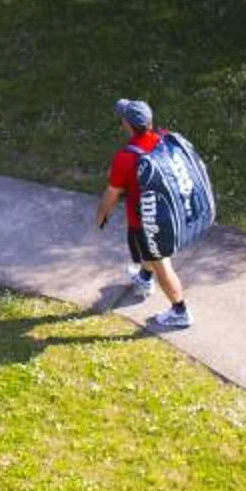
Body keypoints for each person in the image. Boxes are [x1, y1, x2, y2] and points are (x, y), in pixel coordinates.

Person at [94, 97, 192, 331]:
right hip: (170, 212)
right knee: (149, 253)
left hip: (147, 221)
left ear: (127, 125)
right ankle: (145, 279)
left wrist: (102, 215)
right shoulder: (164, 139)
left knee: (161, 263)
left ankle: (180, 311)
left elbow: (112, 193)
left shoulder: (126, 157)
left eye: (123, 119)